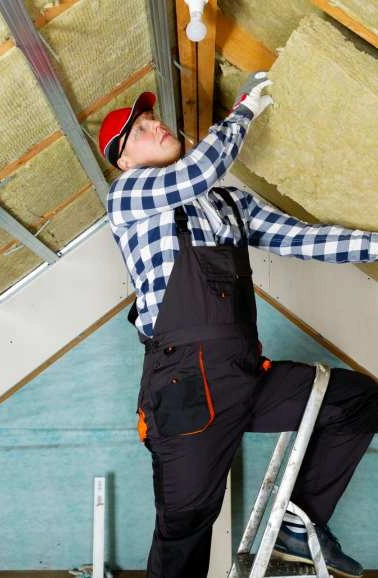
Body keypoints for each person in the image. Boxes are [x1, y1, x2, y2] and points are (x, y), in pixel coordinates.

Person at [97, 73, 378, 578]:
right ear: (124, 160)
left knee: (356, 401)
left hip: (246, 375)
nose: (156, 125)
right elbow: (197, 171)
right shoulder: (129, 196)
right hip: (186, 388)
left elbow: (304, 240)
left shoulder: (228, 202)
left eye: (153, 118)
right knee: (186, 526)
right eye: (140, 129)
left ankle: (301, 523)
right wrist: (242, 113)